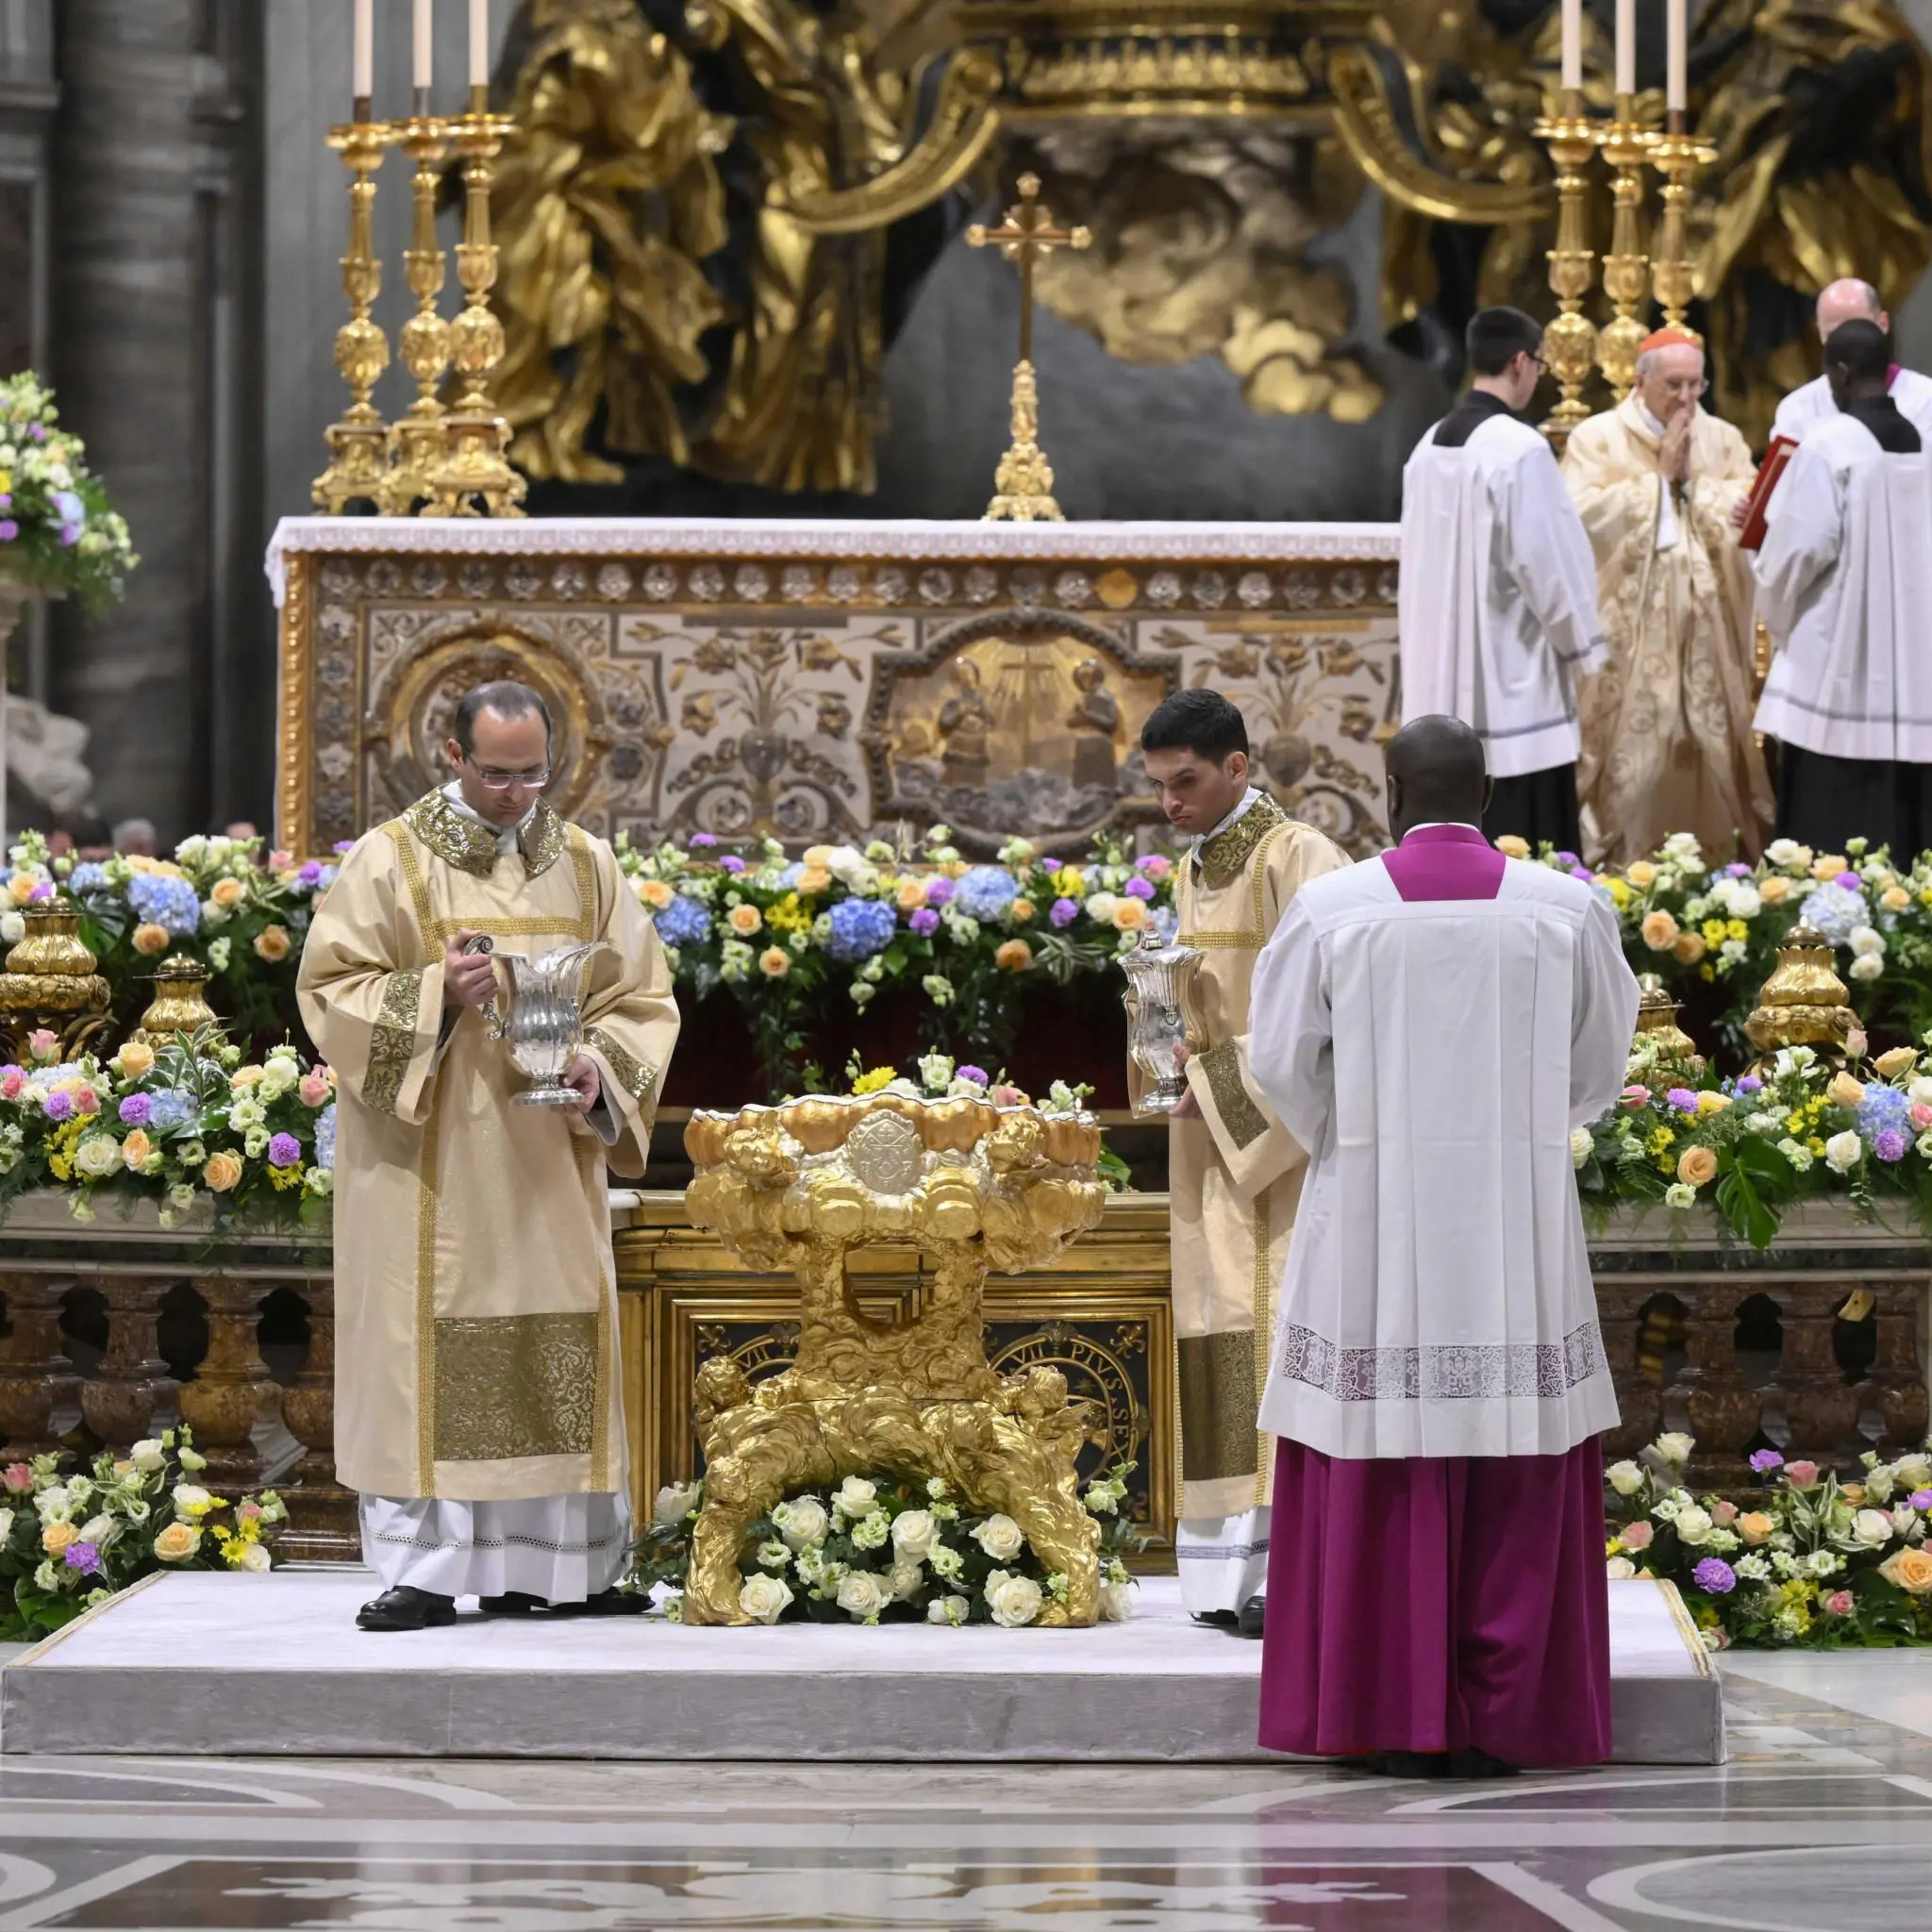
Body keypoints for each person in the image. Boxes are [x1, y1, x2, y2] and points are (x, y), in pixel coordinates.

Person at [1248, 714, 1638, 1776]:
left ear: (1387, 794)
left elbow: (1278, 1062)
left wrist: (1354, 1139)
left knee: (1375, 1438)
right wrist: (1522, 1128)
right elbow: (1600, 1064)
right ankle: (1511, 1713)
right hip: (1518, 1217)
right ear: (1490, 798)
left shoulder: (1332, 911)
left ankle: (1385, 1706)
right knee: (1518, 1444)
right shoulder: (1565, 910)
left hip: (1370, 1220)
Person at [298, 678, 680, 1631]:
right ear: (454, 756)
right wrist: (435, 991)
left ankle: (558, 1573)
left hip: (547, 1160)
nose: (515, 793)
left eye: (533, 773)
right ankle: (428, 1575)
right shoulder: (391, 858)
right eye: (497, 774)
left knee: (553, 1343)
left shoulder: (586, 865)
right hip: (431, 1164)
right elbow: (329, 989)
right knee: (429, 1352)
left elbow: (640, 998)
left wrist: (601, 1067)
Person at [1137, 688, 1349, 1636]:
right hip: (1212, 1142)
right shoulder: (1194, 864)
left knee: (1273, 1332)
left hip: (1283, 1149)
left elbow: (1334, 1010)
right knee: (1219, 1329)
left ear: (1236, 766)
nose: (1169, 802)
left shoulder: (1299, 856)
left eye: (1184, 781)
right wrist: (1164, 1046)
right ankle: (1226, 1576)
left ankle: (1289, 1566)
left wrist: (1219, 1076)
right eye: (1157, 785)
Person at [1399, 307, 1607, 856]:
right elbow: (1549, 566)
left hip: (1436, 685)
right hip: (1512, 690)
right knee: (1525, 854)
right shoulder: (1519, 448)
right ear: (1520, 362)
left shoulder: (1427, 446)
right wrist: (1583, 646)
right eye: (1539, 364)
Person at [1562, 327, 1773, 866]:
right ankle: (1622, 864)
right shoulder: (1597, 438)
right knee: (1636, 752)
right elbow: (1578, 517)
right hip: (1627, 636)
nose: (1686, 398)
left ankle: (1716, 868)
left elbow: (1748, 509)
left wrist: (1694, 487)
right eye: (1673, 385)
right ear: (1641, 381)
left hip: (1709, 630)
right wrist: (1655, 485)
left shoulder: (1722, 438)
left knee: (1709, 748)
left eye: (1695, 385)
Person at [1753, 318, 1932, 854]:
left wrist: (1777, 620)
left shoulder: (1829, 445)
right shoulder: (1924, 445)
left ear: (1841, 372)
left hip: (1839, 666)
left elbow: (1795, 553)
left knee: (1828, 830)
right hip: (1915, 668)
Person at [1770, 279, 1932, 447]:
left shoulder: (1926, 399)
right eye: (1833, 335)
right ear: (1820, 333)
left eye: (1857, 330)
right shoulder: (1797, 409)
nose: (1845, 344)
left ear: (1883, 324)